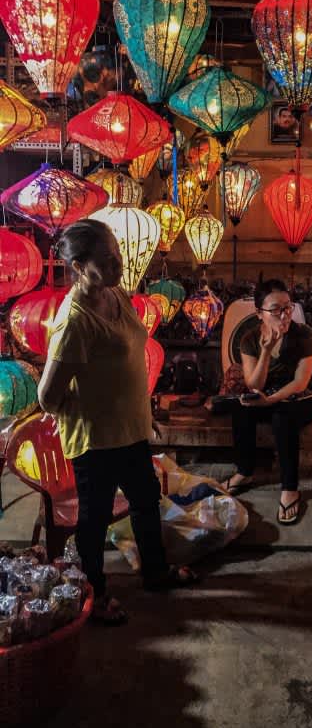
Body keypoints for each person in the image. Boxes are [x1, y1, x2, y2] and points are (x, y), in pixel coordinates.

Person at [38, 219, 195, 625]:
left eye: (118, 254)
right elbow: (47, 395)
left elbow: (126, 363)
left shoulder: (117, 295)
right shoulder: (74, 322)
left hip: (130, 428)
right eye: (107, 260)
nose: (119, 264)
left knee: (145, 502)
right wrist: (68, 411)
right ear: (77, 266)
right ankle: (96, 592)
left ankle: (155, 573)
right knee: (94, 519)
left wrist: (142, 411)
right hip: (96, 439)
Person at [223, 279, 312, 525]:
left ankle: (290, 488)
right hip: (267, 394)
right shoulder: (250, 339)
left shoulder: (304, 334)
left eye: (287, 307)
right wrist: (265, 351)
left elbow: (300, 382)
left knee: (282, 416)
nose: (284, 314)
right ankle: (244, 472)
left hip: (302, 398)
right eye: (276, 309)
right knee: (241, 407)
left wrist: (271, 401)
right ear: (260, 313)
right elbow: (254, 385)